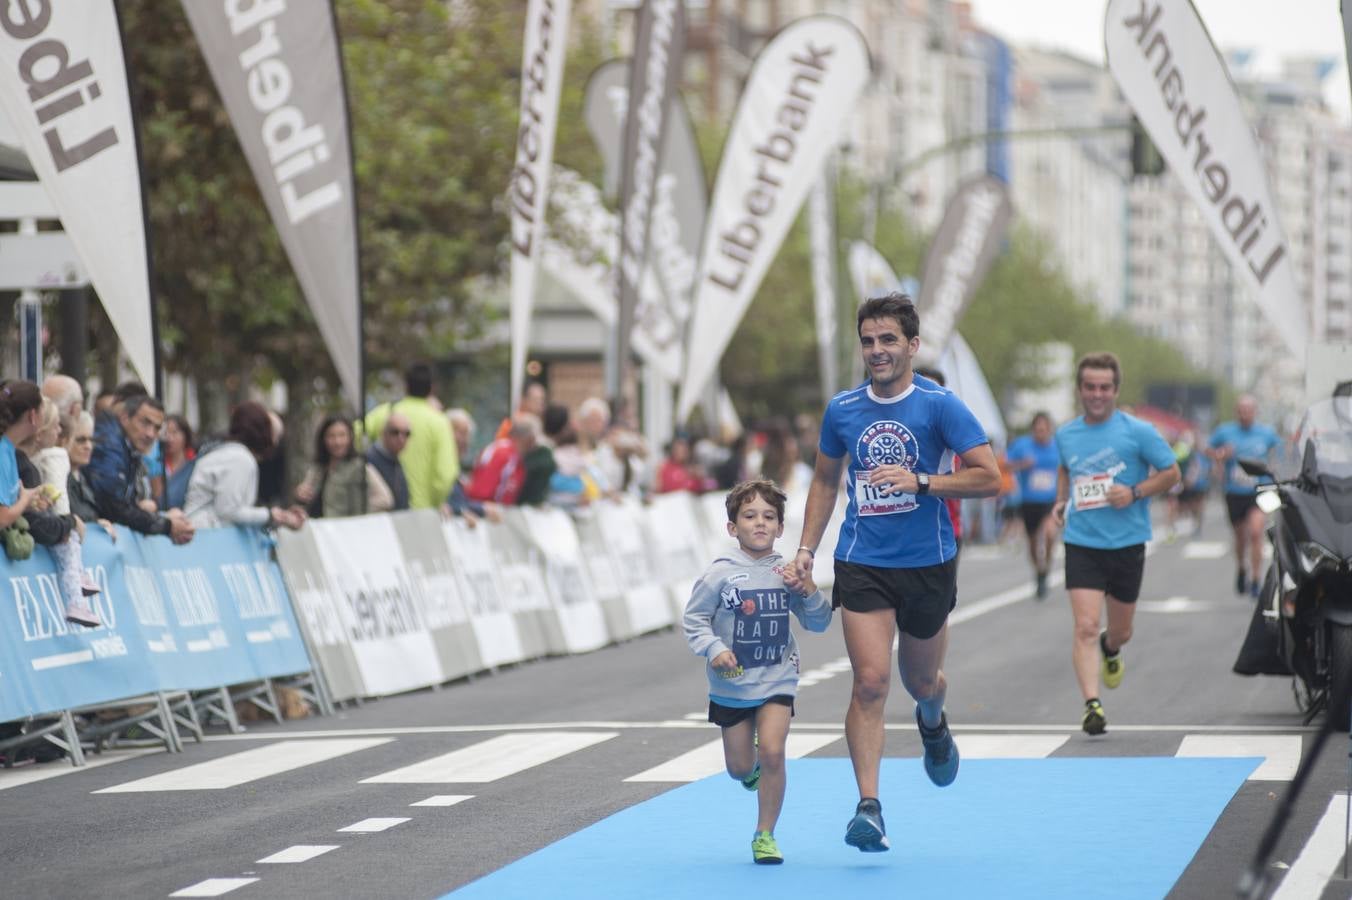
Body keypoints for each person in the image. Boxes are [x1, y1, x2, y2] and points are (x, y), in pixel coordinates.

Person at [792, 293, 1001, 853]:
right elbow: (824, 481)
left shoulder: (940, 406)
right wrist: (808, 547)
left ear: (911, 346)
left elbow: (990, 478)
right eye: (868, 341)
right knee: (870, 681)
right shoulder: (843, 409)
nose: (877, 351)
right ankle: (869, 808)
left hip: (928, 564)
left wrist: (924, 481)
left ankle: (933, 721)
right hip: (863, 562)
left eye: (888, 340)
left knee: (921, 682)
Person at [683, 479, 831, 865]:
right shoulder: (719, 573)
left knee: (774, 751)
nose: (760, 523)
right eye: (749, 516)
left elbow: (818, 623)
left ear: (781, 528)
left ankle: (764, 834)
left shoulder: (787, 572)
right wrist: (714, 648)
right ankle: (749, 767)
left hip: (777, 678)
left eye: (769, 517)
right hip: (731, 686)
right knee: (739, 768)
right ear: (733, 527)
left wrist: (808, 589)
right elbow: (695, 619)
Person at [1051, 352, 1180, 736]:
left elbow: (1171, 472)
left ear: (1115, 389)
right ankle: (1092, 705)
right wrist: (1061, 501)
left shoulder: (1138, 431)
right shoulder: (1066, 433)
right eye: (1090, 387)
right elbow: (1065, 468)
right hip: (1082, 543)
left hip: (1127, 543)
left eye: (1104, 387)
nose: (1097, 394)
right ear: (1079, 390)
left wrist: (1136, 491)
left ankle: (1112, 648)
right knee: (1086, 626)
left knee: (1119, 631)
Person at [23, 398, 100, 625]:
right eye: (56, 426)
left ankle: (80, 579)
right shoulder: (56, 456)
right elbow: (60, 495)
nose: (58, 431)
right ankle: (76, 601)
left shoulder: (36, 458)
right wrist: (68, 522)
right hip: (52, 523)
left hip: (49, 520)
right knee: (68, 553)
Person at [86, 394, 195, 544]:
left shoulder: (127, 447)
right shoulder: (109, 447)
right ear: (125, 418)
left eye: (157, 428)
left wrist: (160, 517)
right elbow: (115, 508)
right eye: (145, 423)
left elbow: (124, 505)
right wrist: (167, 525)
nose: (150, 434)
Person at [184, 401, 305, 530]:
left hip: (199, 530)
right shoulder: (240, 458)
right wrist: (269, 514)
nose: (274, 441)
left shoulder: (223, 451)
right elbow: (228, 510)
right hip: (210, 535)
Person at [1207, 396, 1281, 597]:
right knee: (1241, 537)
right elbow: (1207, 450)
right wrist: (1220, 455)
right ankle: (1242, 568)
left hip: (1260, 490)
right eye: (1241, 410)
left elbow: (1281, 450)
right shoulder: (1225, 431)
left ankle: (1256, 578)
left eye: (1248, 410)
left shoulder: (1266, 433)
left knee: (1257, 532)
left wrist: (1276, 469)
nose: (1245, 414)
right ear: (1236, 412)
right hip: (1235, 491)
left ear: (1255, 411)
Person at [363, 363, 459, 509]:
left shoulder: (387, 411)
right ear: (432, 388)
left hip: (387, 512)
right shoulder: (439, 421)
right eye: (395, 433)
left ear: (406, 385)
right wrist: (436, 502)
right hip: (423, 511)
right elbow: (446, 475)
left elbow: (354, 435)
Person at [1006, 412, 1061, 599]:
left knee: (1049, 534)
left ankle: (1046, 566)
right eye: (1038, 430)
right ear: (1032, 430)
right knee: (1031, 544)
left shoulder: (1058, 446)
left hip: (1050, 501)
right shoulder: (1022, 445)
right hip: (1028, 502)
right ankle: (1039, 572)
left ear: (1050, 430)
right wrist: (1022, 464)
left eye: (1045, 430)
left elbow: (1066, 469)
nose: (1041, 433)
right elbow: (1004, 466)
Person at [295, 415, 391, 517]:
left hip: (343, 528)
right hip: (319, 526)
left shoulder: (360, 468)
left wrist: (356, 512)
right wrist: (301, 494)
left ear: (350, 438)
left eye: (342, 435)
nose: (337, 442)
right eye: (331, 436)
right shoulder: (318, 469)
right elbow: (307, 496)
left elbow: (385, 500)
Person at [464, 413, 538, 505]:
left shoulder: (510, 453)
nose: (534, 446)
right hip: (485, 510)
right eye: (533, 440)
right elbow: (483, 491)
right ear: (528, 439)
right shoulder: (505, 454)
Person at [66, 411, 116, 541]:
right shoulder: (61, 478)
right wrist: (95, 524)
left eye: (91, 440)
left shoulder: (84, 477)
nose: (88, 446)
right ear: (65, 440)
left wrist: (98, 524)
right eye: (81, 440)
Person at [366, 411, 412, 512]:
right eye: (395, 432)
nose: (401, 438)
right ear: (383, 433)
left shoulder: (395, 459)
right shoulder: (370, 460)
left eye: (407, 434)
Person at [160, 414, 196, 511]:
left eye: (174, 432)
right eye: (166, 433)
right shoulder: (157, 463)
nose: (169, 438)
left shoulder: (195, 464)